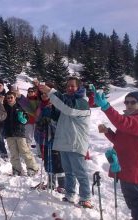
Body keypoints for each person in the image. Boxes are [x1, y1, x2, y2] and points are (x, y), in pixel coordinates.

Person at [93, 88, 138, 220]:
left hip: (134, 166)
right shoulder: (131, 119)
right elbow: (119, 140)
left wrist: (106, 106)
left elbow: (123, 123)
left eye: (133, 102)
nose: (129, 105)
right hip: (124, 165)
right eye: (126, 102)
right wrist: (107, 132)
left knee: (136, 202)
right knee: (134, 200)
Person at [38, 77, 92, 208]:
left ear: (79, 88)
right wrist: (50, 112)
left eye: (72, 86)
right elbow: (60, 115)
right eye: (68, 86)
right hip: (64, 142)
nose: (69, 88)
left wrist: (51, 91)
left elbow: (69, 109)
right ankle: (70, 194)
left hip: (76, 142)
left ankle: (85, 197)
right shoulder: (68, 102)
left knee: (80, 172)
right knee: (68, 172)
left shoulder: (82, 102)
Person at [36, 84, 65, 192]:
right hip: (46, 138)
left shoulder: (58, 106)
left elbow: (61, 121)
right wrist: (41, 123)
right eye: (42, 94)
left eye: (46, 93)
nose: (44, 95)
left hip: (57, 139)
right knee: (48, 161)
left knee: (59, 162)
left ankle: (62, 184)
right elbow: (38, 122)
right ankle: (51, 182)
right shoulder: (42, 107)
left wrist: (51, 122)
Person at [3, 91, 39, 176]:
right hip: (9, 133)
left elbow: (26, 119)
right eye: (8, 98)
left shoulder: (20, 106)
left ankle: (32, 168)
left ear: (15, 97)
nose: (10, 99)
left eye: (11, 97)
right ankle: (16, 169)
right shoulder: (4, 108)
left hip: (20, 133)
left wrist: (23, 118)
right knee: (13, 153)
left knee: (25, 151)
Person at [0, 79, 9, 160]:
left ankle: (3, 152)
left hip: (5, 120)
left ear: (3, 86)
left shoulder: (7, 96)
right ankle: (3, 153)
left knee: (0, 137)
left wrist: (2, 103)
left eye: (0, 85)